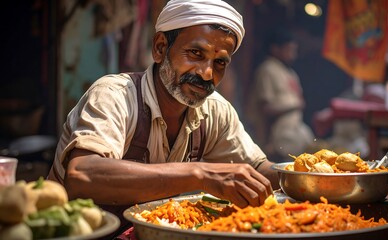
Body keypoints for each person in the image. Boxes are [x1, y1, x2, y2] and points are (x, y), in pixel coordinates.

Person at [47, 0, 279, 236]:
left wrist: (307, 175)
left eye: (219, 62)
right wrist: (201, 175)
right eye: (196, 54)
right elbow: (82, 176)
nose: (207, 73)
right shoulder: (115, 95)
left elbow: (258, 169)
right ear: (160, 48)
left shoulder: (215, 111)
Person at [250, 27, 315, 162]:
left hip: (297, 131)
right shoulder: (267, 69)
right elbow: (265, 109)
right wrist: (294, 106)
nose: (293, 54)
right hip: (278, 137)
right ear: (275, 49)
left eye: (294, 50)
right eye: (289, 50)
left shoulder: (290, 72)